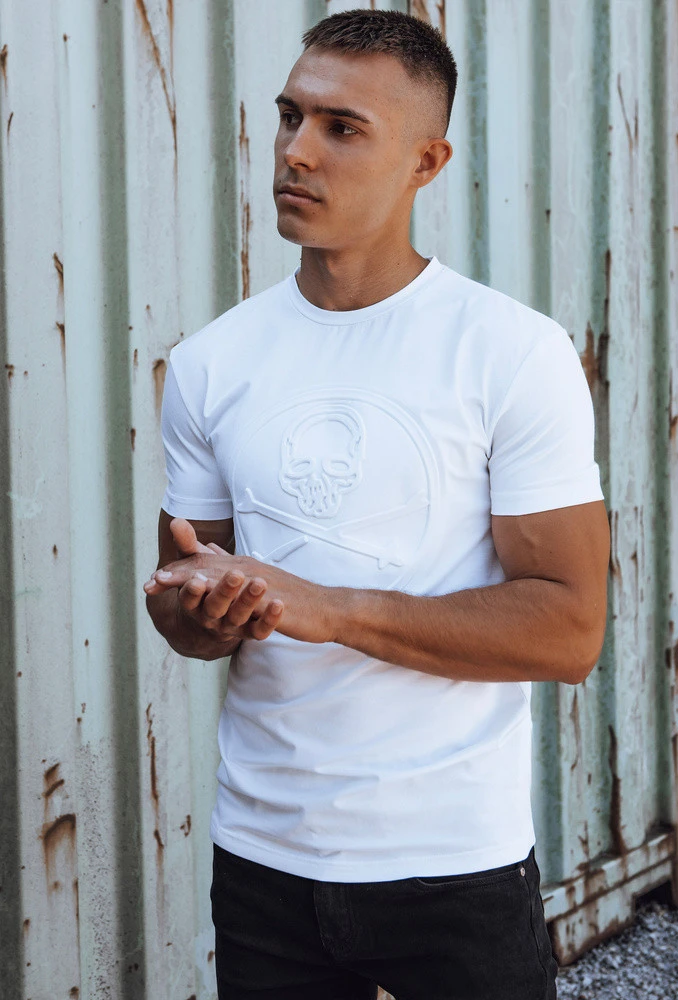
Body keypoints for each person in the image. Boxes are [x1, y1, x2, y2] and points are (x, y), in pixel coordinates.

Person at [144, 9, 610, 1000]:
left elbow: (569, 628)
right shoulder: (211, 363)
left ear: (425, 163)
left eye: (341, 127)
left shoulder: (511, 354)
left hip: (453, 862)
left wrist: (328, 607)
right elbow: (183, 600)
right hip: (263, 857)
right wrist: (200, 613)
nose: (296, 151)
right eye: (289, 116)